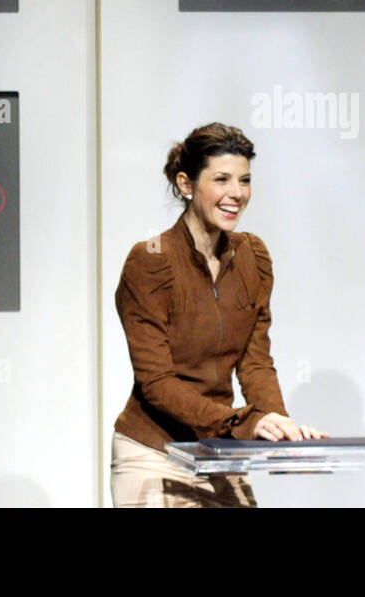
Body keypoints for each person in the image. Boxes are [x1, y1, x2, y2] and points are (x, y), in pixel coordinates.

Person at [112, 122, 325, 507]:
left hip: (219, 446)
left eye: (244, 180)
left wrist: (277, 422)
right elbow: (157, 383)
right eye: (221, 179)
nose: (236, 194)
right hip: (156, 451)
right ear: (186, 184)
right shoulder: (149, 263)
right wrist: (245, 422)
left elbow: (255, 362)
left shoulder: (252, 257)